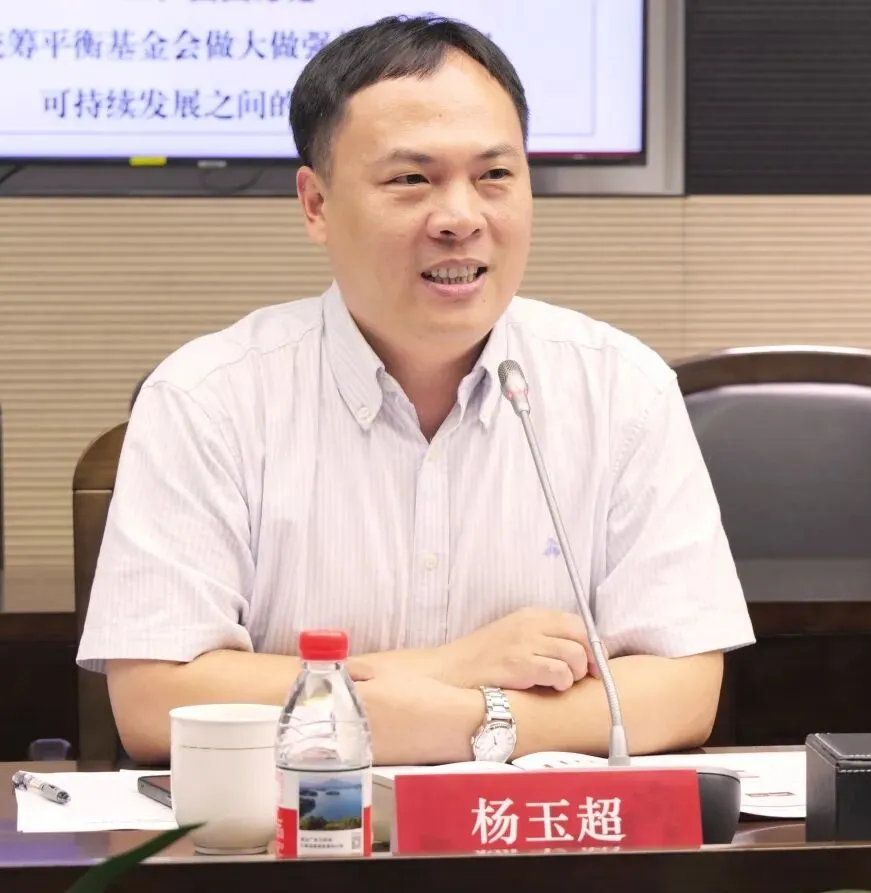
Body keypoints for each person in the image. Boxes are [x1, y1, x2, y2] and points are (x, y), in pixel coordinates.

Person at [77, 15, 754, 766]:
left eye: (495, 175)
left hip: (529, 835)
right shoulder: (206, 398)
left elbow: (683, 690)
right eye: (411, 180)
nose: (460, 218)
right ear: (316, 204)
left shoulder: (621, 388)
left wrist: (465, 714)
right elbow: (155, 702)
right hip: (300, 833)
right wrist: (455, 663)